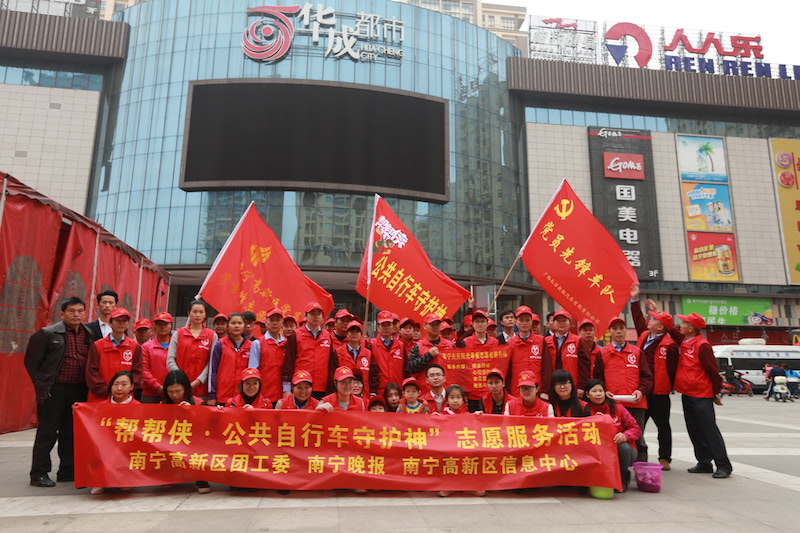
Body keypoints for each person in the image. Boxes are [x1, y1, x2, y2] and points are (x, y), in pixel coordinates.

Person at [24, 296, 93, 487]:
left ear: (85, 313)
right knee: (47, 433)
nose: (76, 315)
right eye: (72, 311)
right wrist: (43, 385)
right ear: (62, 314)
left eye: (80, 311)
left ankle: (67, 471)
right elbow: (31, 362)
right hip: (54, 390)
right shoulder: (47, 334)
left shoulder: (88, 334)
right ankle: (39, 473)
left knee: (70, 432)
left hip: (78, 390)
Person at [670, 311, 733, 478]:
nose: (680, 326)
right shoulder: (685, 341)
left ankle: (723, 465)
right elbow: (672, 329)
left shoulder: (702, 345)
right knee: (694, 430)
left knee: (709, 430)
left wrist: (716, 392)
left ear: (691, 328)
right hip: (687, 392)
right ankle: (704, 462)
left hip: (701, 394)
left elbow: (712, 370)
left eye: (684, 323)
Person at [630, 289, 679, 470]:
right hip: (642, 390)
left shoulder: (670, 345)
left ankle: (664, 458)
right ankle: (636, 456)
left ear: (660, 327)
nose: (649, 319)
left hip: (659, 393)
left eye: (653, 319)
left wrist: (669, 387)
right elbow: (638, 320)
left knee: (663, 426)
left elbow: (673, 370)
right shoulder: (644, 335)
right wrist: (634, 300)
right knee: (637, 425)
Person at [593, 317, 652, 463]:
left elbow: (647, 377)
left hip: (635, 403)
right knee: (612, 436)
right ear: (609, 332)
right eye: (615, 329)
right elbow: (598, 377)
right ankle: (617, 468)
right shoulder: (603, 353)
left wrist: (641, 391)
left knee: (638, 436)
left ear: (626, 331)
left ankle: (641, 469)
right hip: (612, 404)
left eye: (621, 328)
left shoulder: (637, 352)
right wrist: (604, 391)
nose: (618, 332)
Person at [584, 379, 641, 493]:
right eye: (594, 391)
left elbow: (636, 428)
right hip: (598, 450)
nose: (598, 394)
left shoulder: (617, 408)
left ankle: (622, 476)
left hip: (622, 450)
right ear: (587, 394)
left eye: (601, 391)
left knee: (623, 447)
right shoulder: (584, 409)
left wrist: (625, 436)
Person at [160, 370, 211, 493]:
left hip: (193, 441)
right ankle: (167, 475)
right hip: (171, 441)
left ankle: (201, 479)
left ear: (186, 389)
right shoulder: (161, 405)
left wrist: (192, 412)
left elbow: (206, 427)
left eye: (178, 391)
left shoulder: (199, 403)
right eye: (170, 391)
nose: (175, 395)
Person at [91, 370, 139, 495]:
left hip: (128, 446)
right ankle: (100, 481)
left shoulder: (139, 407)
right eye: (116, 384)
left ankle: (127, 479)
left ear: (131, 387)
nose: (119, 388)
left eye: (124, 384)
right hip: (106, 446)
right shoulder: (101, 407)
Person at [85, 308, 142, 402]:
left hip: (125, 399)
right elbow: (91, 372)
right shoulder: (97, 346)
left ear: (128, 324)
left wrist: (124, 390)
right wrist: (107, 391)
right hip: (100, 397)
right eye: (118, 320)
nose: (121, 323)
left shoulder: (135, 347)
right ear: (110, 323)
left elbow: (137, 373)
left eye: (124, 321)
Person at [282, 301, 335, 400]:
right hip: (300, 386)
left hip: (321, 388)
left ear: (322, 317)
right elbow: (288, 364)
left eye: (318, 314)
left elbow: (331, 364)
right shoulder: (295, 335)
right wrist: (286, 389)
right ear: (305, 316)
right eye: (312, 314)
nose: (316, 317)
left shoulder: (327, 336)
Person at [167, 300, 218, 399]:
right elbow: (170, 359)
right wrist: (180, 379)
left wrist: (198, 381)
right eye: (194, 311)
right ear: (189, 313)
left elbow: (211, 363)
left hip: (201, 389)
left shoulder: (212, 336)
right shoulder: (178, 334)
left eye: (201, 312)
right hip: (178, 388)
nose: (198, 315)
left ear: (205, 315)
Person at [207, 313, 253, 406]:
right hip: (222, 395)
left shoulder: (251, 346)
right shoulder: (219, 345)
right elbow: (212, 370)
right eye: (233, 323)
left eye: (240, 323)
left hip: (243, 397)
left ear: (244, 326)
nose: (236, 326)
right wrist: (212, 395)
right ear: (227, 326)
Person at [507, 305, 551, 398]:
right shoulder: (510, 343)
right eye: (521, 320)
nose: (524, 323)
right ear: (516, 322)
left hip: (537, 389)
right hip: (516, 390)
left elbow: (546, 367)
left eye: (527, 320)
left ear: (531, 322)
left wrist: (545, 391)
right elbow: (508, 371)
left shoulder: (540, 341)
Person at [545, 309, 591, 393]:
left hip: (572, 385)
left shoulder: (578, 341)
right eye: (558, 321)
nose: (561, 323)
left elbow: (584, 366)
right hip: (552, 385)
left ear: (570, 323)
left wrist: (582, 386)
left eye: (564, 320)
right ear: (553, 323)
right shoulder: (546, 341)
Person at [248, 306, 286, 407]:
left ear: (282, 323)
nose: (274, 323)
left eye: (277, 320)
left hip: (283, 394)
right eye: (271, 320)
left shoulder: (287, 344)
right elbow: (252, 371)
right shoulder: (257, 343)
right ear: (266, 322)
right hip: (263, 393)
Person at [408, 313, 454, 395]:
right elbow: (411, 368)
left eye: (437, 324)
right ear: (425, 326)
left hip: (447, 391)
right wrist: (428, 356)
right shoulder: (418, 346)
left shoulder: (449, 345)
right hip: (425, 391)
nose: (435, 327)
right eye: (432, 324)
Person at [335, 320, 379, 397]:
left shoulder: (368, 354)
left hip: (364, 396)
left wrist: (372, 392)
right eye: (351, 332)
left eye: (357, 332)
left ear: (361, 334)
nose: (354, 334)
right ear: (347, 334)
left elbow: (373, 375)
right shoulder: (338, 353)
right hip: (343, 396)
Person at [370, 310, 407, 397]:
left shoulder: (401, 346)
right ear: (378, 327)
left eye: (388, 325)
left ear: (392, 326)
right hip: (379, 393)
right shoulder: (371, 345)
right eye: (383, 325)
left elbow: (406, 371)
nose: (386, 328)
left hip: (397, 393)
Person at [140, 312, 173, 403]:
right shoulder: (146, 347)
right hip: (149, 393)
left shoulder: (177, 346)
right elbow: (144, 370)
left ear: (171, 326)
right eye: (159, 324)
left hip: (173, 393)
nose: (163, 327)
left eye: (166, 324)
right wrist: (157, 387)